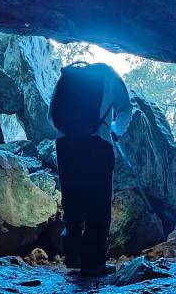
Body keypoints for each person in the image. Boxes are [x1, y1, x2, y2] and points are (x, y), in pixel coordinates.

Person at [49, 62, 132, 276]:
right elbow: (125, 110)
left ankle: (72, 255)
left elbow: (52, 116)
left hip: (66, 145)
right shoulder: (110, 77)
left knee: (72, 200)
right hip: (97, 144)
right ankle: (92, 261)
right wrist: (114, 131)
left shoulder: (67, 79)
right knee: (98, 205)